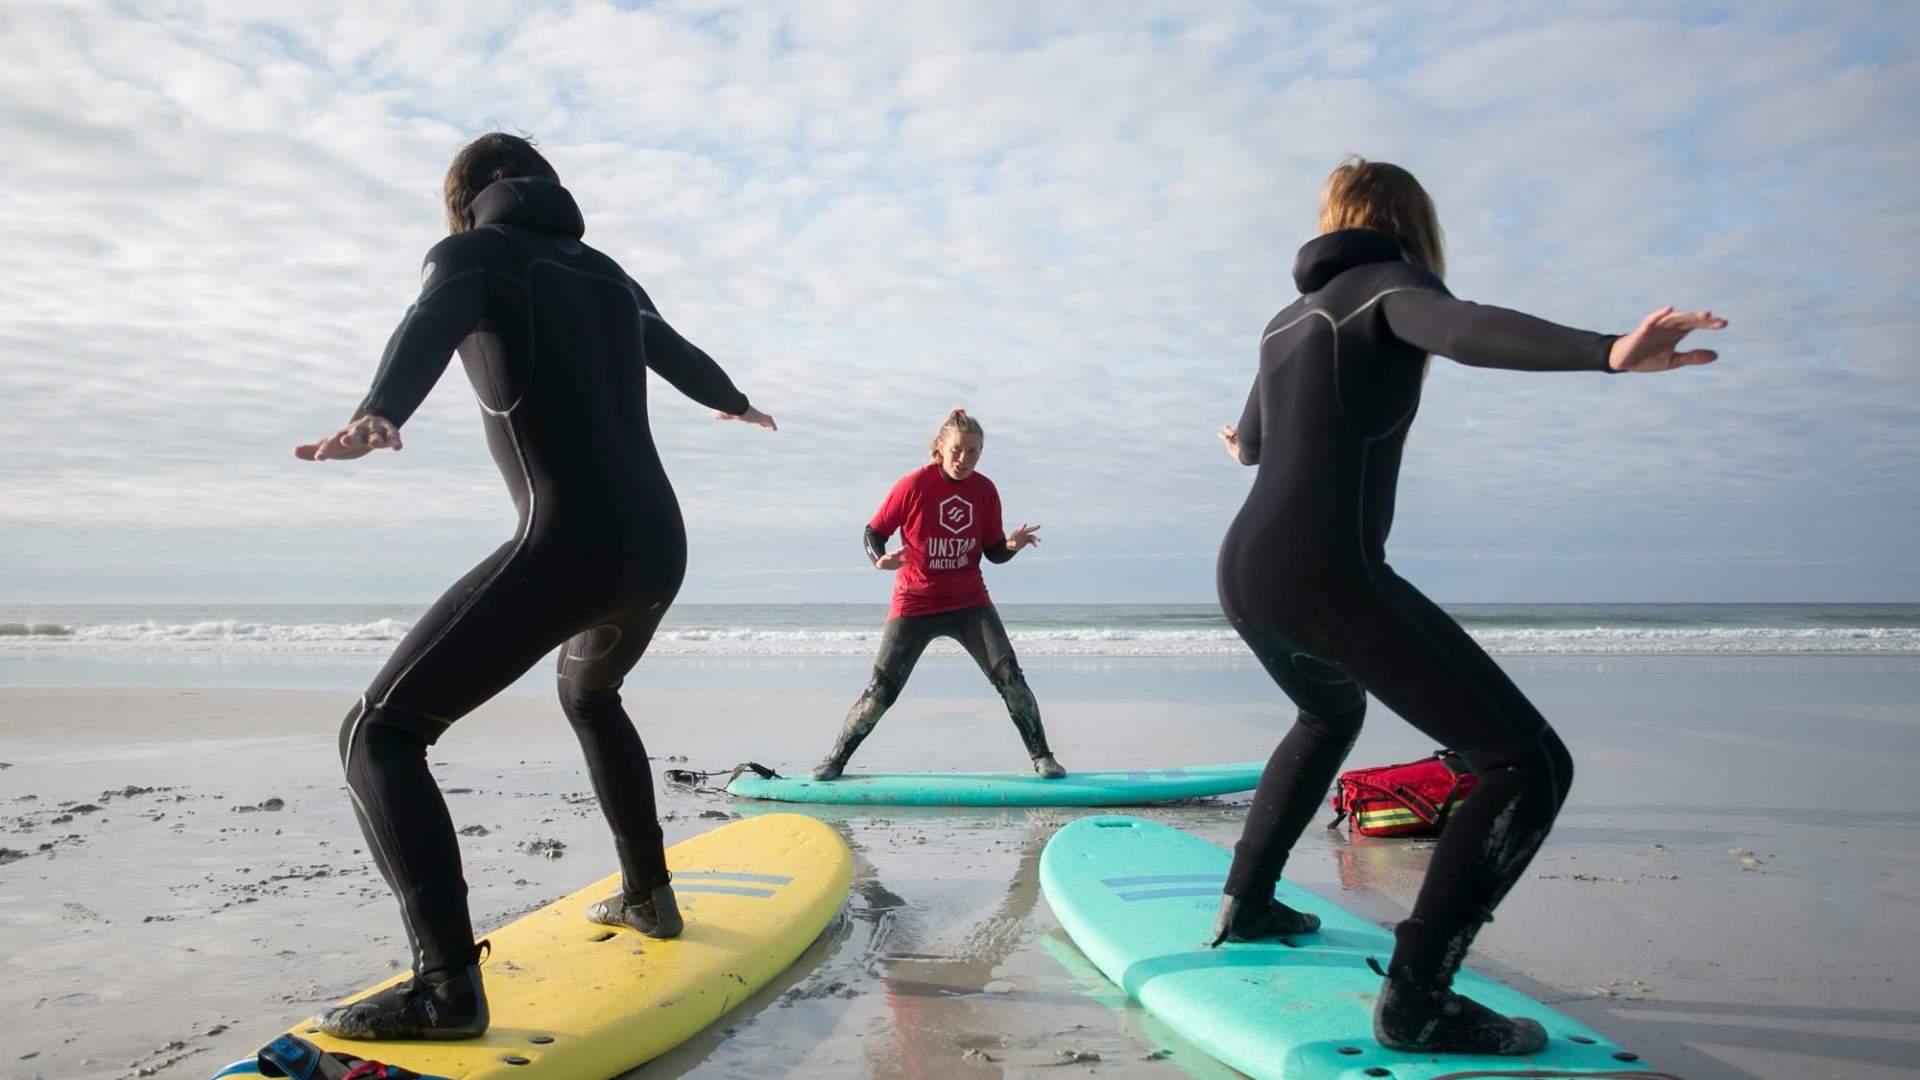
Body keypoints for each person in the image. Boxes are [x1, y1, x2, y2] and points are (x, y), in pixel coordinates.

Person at [1211, 157, 1723, 1055]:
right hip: (1326, 567)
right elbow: (1463, 327)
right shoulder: (1388, 285)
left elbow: (1252, 442)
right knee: (1525, 765)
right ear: (1412, 226)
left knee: (1329, 713)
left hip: (1245, 566)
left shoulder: (1284, 321)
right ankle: (1418, 1000)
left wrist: (1247, 443)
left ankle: (1249, 903)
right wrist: (1606, 350)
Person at [292, 133, 776, 1040]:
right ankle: (650, 899)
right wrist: (733, 397)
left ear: (465, 197)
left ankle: (446, 991)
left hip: (570, 543)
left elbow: (431, 319)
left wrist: (381, 409)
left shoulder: (473, 255)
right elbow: (675, 352)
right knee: (590, 696)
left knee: (379, 735)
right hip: (659, 545)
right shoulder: (608, 274)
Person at [809, 408, 1064, 781]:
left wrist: (1012, 544)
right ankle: (834, 760)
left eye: (974, 452)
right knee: (881, 691)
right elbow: (873, 531)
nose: (965, 459)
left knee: (1011, 678)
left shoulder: (985, 491)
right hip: (915, 601)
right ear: (940, 448)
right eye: (958, 450)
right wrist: (880, 559)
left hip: (969, 603)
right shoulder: (912, 486)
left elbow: (993, 552)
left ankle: (1043, 758)